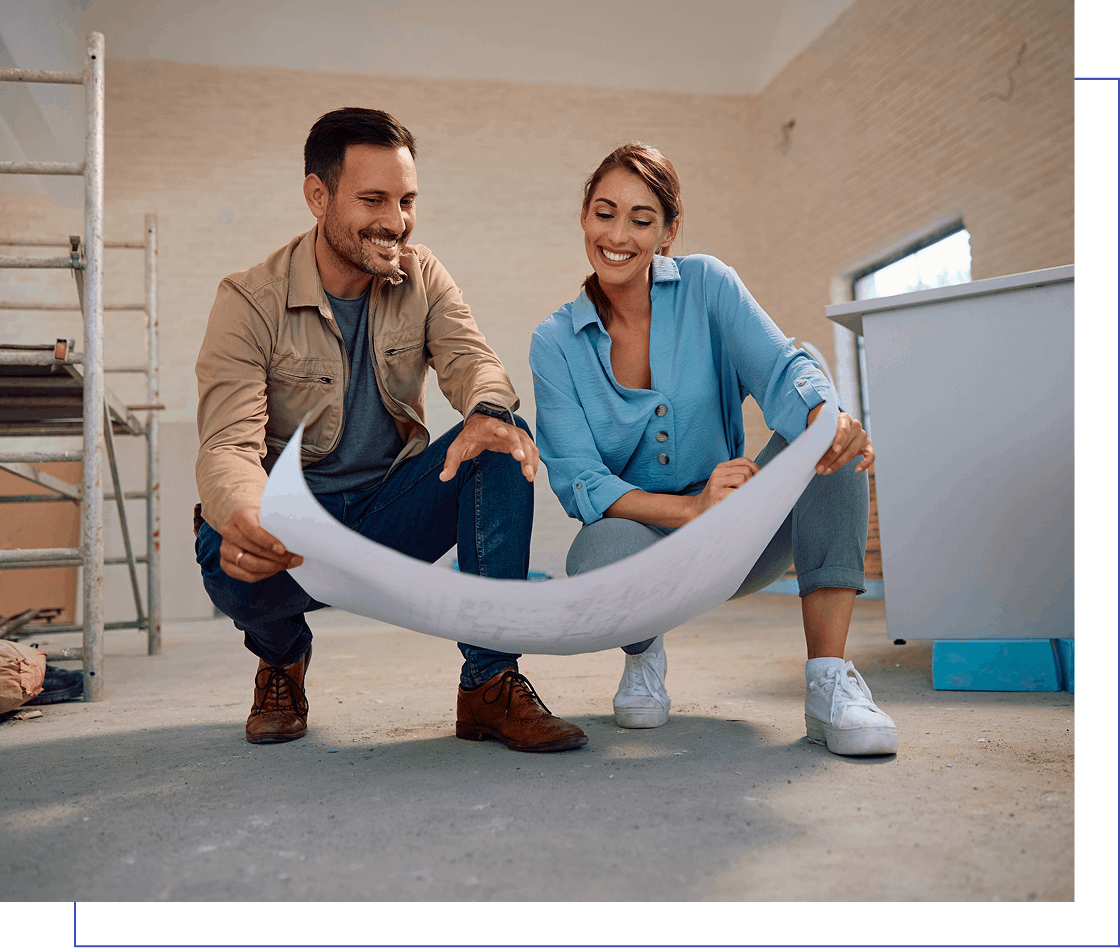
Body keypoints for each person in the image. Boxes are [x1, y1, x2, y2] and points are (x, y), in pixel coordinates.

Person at [194, 107, 586, 752]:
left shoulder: (423, 274)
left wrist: (488, 409)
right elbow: (228, 444)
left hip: (388, 514)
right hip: (293, 527)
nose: (396, 221)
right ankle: (282, 656)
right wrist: (244, 512)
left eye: (406, 200)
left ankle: (489, 681)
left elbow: (470, 360)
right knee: (224, 547)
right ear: (318, 196)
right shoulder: (248, 299)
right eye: (373, 199)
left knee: (499, 439)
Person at [529, 142, 896, 756]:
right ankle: (643, 655)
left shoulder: (708, 284)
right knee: (594, 557)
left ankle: (829, 682)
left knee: (824, 436)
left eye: (642, 220)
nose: (618, 235)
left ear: (668, 232)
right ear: (585, 218)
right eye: (604, 212)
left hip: (741, 537)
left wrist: (824, 415)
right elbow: (580, 481)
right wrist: (693, 508)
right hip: (646, 544)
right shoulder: (555, 341)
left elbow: (783, 370)